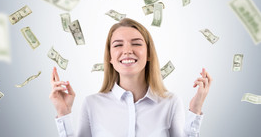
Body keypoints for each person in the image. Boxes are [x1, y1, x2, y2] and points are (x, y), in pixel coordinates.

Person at [50, 18, 212, 137]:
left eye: (136, 43)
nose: (127, 50)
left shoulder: (170, 102)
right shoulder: (92, 104)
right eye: (118, 45)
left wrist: (195, 109)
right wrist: (63, 113)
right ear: (110, 58)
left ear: (148, 54)